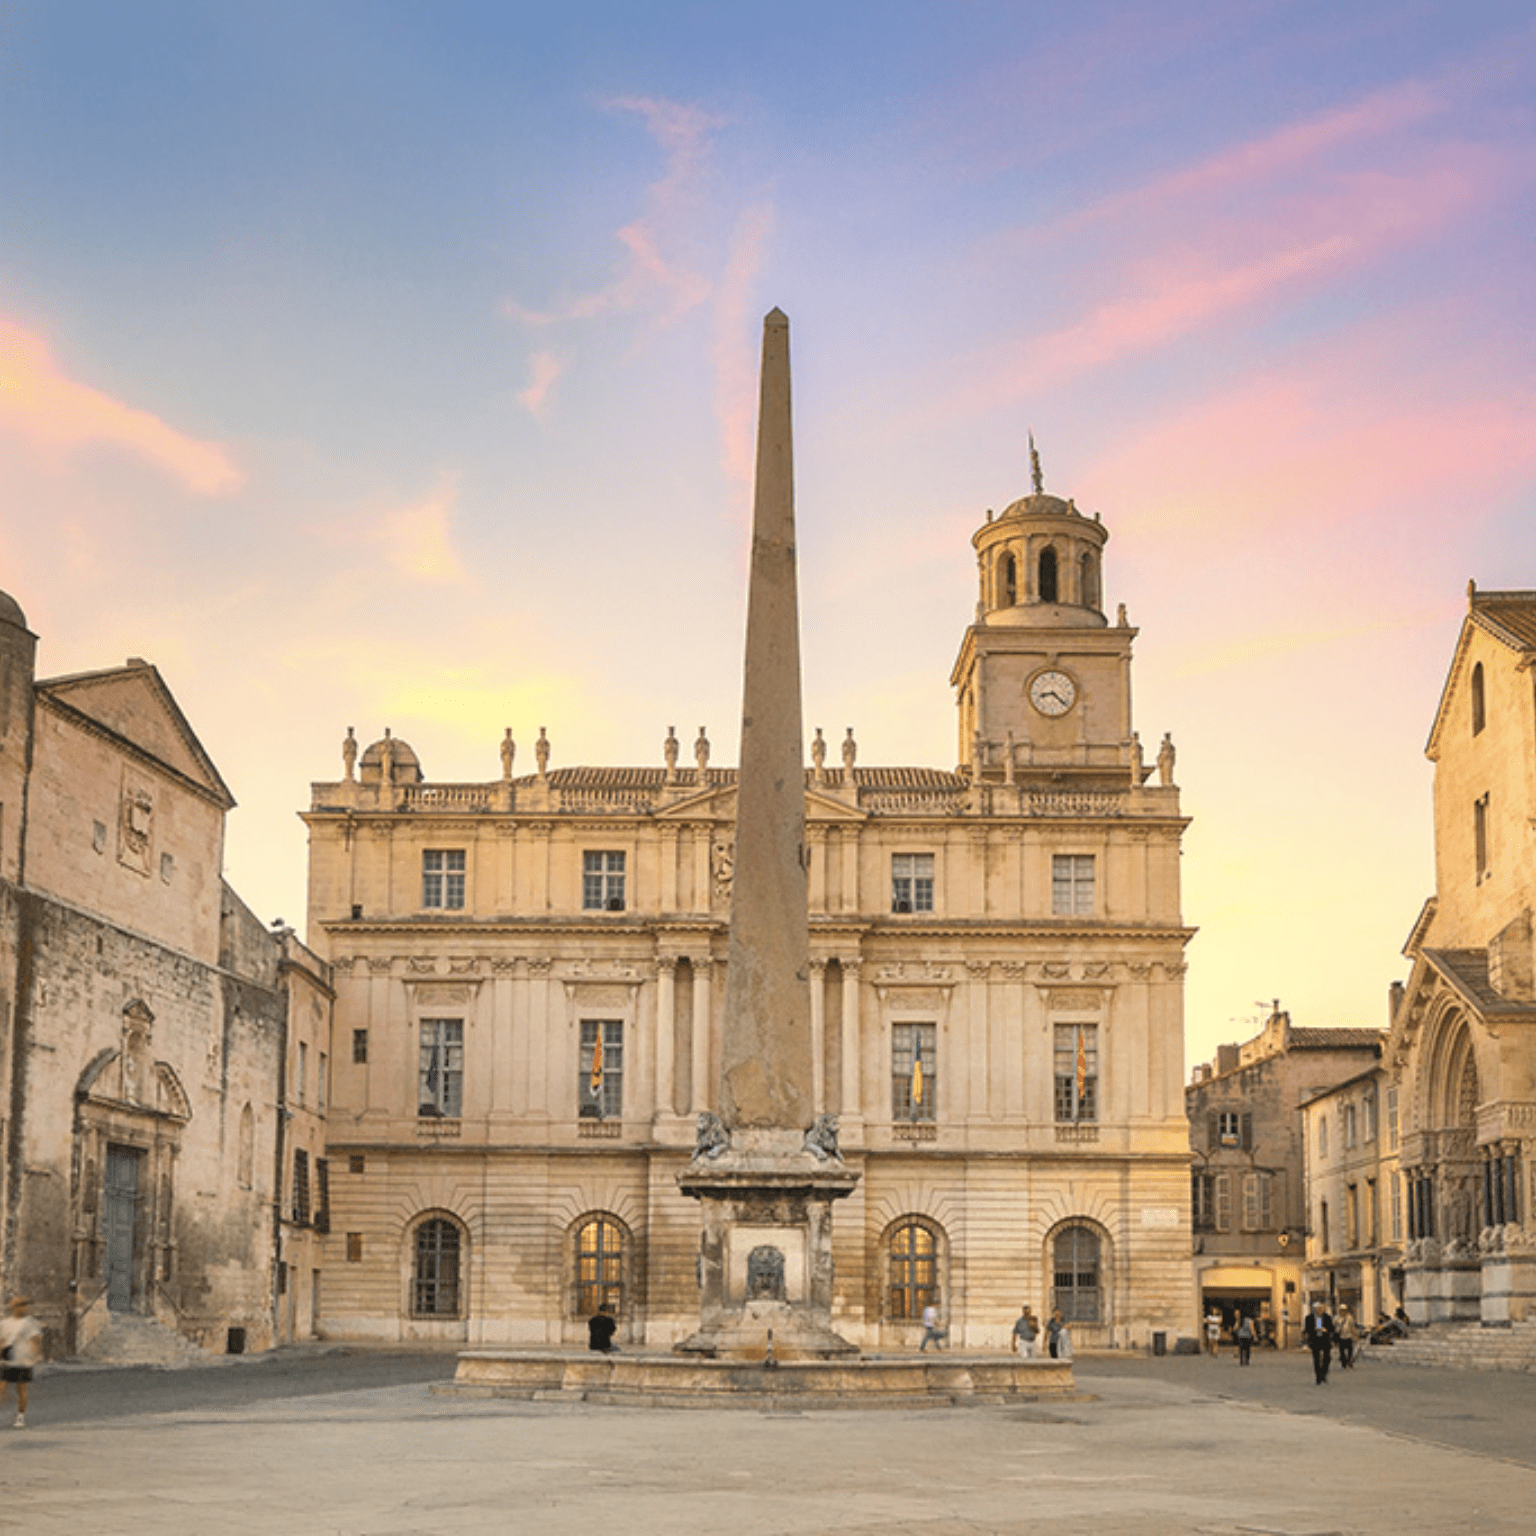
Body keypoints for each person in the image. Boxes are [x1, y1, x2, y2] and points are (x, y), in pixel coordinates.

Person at [0, 1296, 42, 1427]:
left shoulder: (30, 1323)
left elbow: (36, 1340)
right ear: (12, 1307)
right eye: (17, 1304)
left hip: (22, 1361)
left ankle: (20, 1417)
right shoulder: (4, 1323)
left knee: (21, 1389)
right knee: (1, 1387)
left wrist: (34, 1356)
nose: (20, 1307)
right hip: (7, 1360)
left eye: (22, 1304)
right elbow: (1, 1341)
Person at [1302, 1301, 1336, 1385]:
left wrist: (1326, 1330)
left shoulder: (1327, 1317)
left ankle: (1324, 1374)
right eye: (1317, 1309)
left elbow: (1332, 1328)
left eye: (1321, 1309)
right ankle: (1318, 1377)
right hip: (1315, 1340)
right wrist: (1314, 1329)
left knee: (1327, 1359)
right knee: (1316, 1359)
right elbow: (1306, 1329)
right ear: (1314, 1310)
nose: (1319, 1310)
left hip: (1325, 1340)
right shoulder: (1309, 1318)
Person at [1336, 1304, 1359, 1369]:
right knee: (1342, 1351)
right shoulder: (1337, 1318)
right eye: (1341, 1310)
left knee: (1350, 1351)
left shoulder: (1349, 1317)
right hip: (1340, 1337)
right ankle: (1344, 1364)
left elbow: (1352, 1327)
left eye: (1344, 1310)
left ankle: (1349, 1362)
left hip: (1348, 1336)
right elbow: (1333, 1326)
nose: (1342, 1312)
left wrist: (1356, 1335)